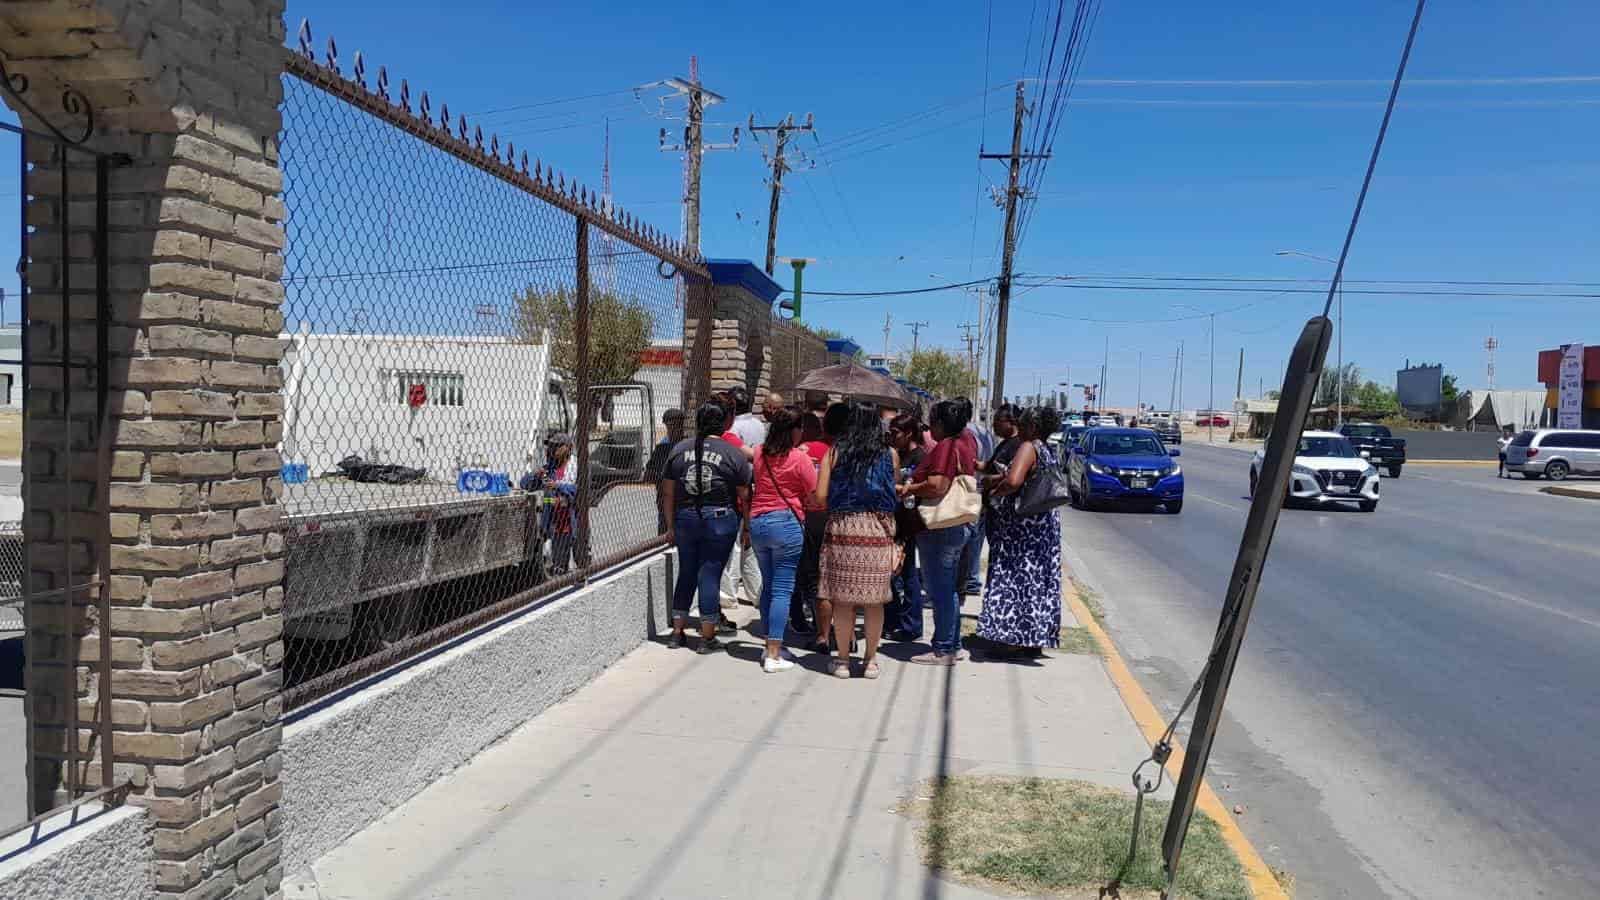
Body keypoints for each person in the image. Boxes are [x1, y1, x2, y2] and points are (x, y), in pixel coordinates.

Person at [816, 404, 900, 679]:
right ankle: (870, 662)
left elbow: (820, 496)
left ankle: (842, 662)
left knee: (842, 600)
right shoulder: (890, 454)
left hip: (843, 530)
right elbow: (892, 492)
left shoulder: (834, 452)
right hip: (877, 530)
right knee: (875, 601)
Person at [663, 402, 751, 653]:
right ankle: (707, 636)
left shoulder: (679, 450)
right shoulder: (732, 453)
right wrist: (747, 526)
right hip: (720, 517)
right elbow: (745, 494)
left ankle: (677, 632)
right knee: (710, 574)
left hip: (685, 517)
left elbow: (668, 492)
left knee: (687, 572)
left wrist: (670, 526)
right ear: (723, 424)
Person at [977, 407, 1063, 657]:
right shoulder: (1047, 449)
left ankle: (1011, 639)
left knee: (1015, 578)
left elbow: (1014, 481)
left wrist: (995, 493)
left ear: (1033, 427)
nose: (1020, 430)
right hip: (1042, 526)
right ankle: (1032, 639)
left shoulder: (1028, 447)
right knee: (1036, 581)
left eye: (1023, 425)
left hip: (1022, 528)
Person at [899, 398, 978, 666]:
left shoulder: (945, 446)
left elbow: (937, 485)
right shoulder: (966, 441)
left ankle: (943, 649)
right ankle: (952, 644)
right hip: (955, 526)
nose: (929, 428)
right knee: (948, 588)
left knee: (939, 589)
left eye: (931, 422)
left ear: (942, 424)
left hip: (940, 527)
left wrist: (909, 488)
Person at [747, 408, 816, 673]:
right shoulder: (800, 458)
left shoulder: (759, 453)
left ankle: (770, 644)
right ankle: (774, 654)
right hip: (786, 523)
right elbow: (814, 493)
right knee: (782, 589)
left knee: (769, 585)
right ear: (794, 431)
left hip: (758, 522)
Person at [798, 402, 850, 650]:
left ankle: (822, 634)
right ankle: (847, 636)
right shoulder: (853, 453)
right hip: (844, 519)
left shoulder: (808, 449)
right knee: (843, 578)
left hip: (812, 517)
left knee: (816, 577)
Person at [714, 394, 762, 616]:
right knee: (746, 549)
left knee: (735, 550)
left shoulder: (725, 438)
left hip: (732, 498)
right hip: (743, 495)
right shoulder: (751, 429)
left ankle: (728, 595)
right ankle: (757, 595)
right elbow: (753, 456)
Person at [884, 412, 927, 641]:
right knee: (891, 573)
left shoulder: (920, 457)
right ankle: (893, 620)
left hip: (909, 521)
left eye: (896, 433)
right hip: (893, 520)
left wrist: (903, 488)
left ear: (908, 433)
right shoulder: (895, 454)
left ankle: (911, 626)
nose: (892, 437)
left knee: (907, 572)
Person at [958, 404, 1007, 597]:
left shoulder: (965, 434)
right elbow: (989, 462)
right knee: (976, 538)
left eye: (997, 421)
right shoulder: (984, 433)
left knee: (967, 537)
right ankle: (971, 579)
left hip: (973, 491)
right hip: (982, 492)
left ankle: (967, 580)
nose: (994, 425)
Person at [645, 408, 686, 534]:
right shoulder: (662, 449)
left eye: (676, 426)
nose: (673, 430)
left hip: (683, 502)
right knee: (665, 532)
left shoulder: (687, 446)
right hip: (666, 502)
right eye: (670, 426)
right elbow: (648, 474)